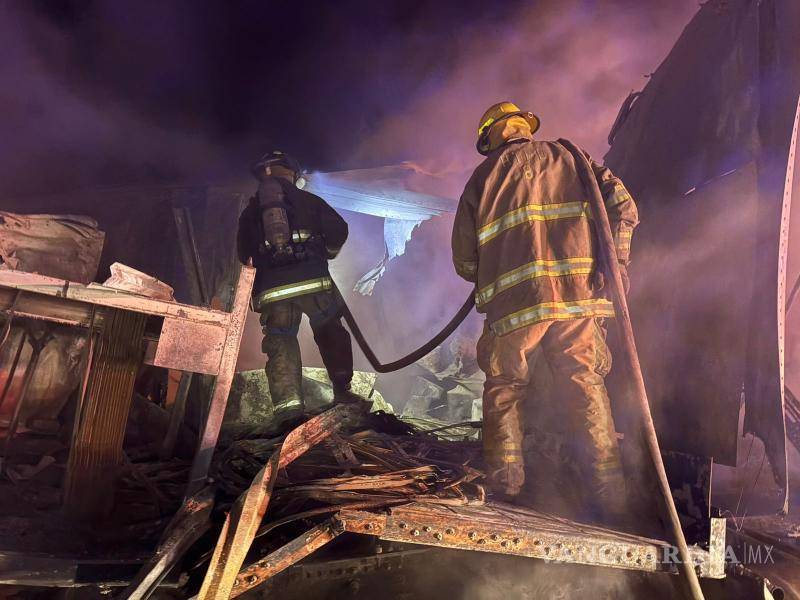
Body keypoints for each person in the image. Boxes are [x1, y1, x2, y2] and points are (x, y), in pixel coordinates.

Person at [451, 102, 639, 519]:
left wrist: (496, 271)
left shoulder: (482, 179)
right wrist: (616, 262)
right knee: (585, 385)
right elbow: (624, 207)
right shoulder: (572, 158)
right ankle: (611, 494)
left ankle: (506, 487)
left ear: (489, 137)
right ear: (524, 127)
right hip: (577, 300)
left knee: (505, 387)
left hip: (514, 311)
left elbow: (463, 261)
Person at [237, 150, 356, 428]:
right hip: (314, 284)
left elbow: (244, 255)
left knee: (281, 342)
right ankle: (343, 392)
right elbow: (339, 230)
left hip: (272, 292)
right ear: (292, 173)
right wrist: (326, 252)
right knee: (329, 330)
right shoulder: (309, 201)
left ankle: (288, 413)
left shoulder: (250, 213)